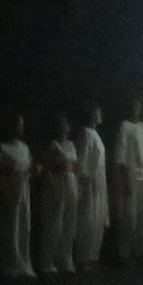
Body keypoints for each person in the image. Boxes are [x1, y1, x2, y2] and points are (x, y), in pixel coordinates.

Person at [112, 99, 143, 263]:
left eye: (138, 107)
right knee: (129, 216)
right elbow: (121, 153)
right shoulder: (125, 126)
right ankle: (124, 252)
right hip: (131, 176)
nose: (136, 109)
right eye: (133, 106)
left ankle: (140, 251)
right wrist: (125, 178)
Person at [0, 111, 35, 278]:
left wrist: (33, 171)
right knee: (11, 226)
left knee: (24, 225)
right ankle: (10, 263)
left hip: (23, 191)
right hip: (9, 191)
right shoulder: (2, 147)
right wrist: (8, 171)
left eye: (22, 124)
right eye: (18, 124)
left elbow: (29, 167)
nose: (20, 127)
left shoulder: (24, 147)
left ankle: (24, 262)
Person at [36, 112, 79, 275]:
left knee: (69, 225)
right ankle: (47, 261)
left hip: (70, 183)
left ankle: (65, 260)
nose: (64, 126)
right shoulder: (53, 144)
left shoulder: (71, 144)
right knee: (54, 224)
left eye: (65, 123)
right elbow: (46, 166)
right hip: (57, 183)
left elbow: (74, 166)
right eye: (61, 124)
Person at [73, 104, 109, 271]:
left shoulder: (95, 134)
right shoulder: (86, 133)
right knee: (87, 219)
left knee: (97, 220)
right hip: (90, 183)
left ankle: (92, 256)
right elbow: (83, 160)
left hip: (99, 182)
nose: (100, 115)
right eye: (98, 112)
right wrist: (83, 182)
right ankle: (83, 257)